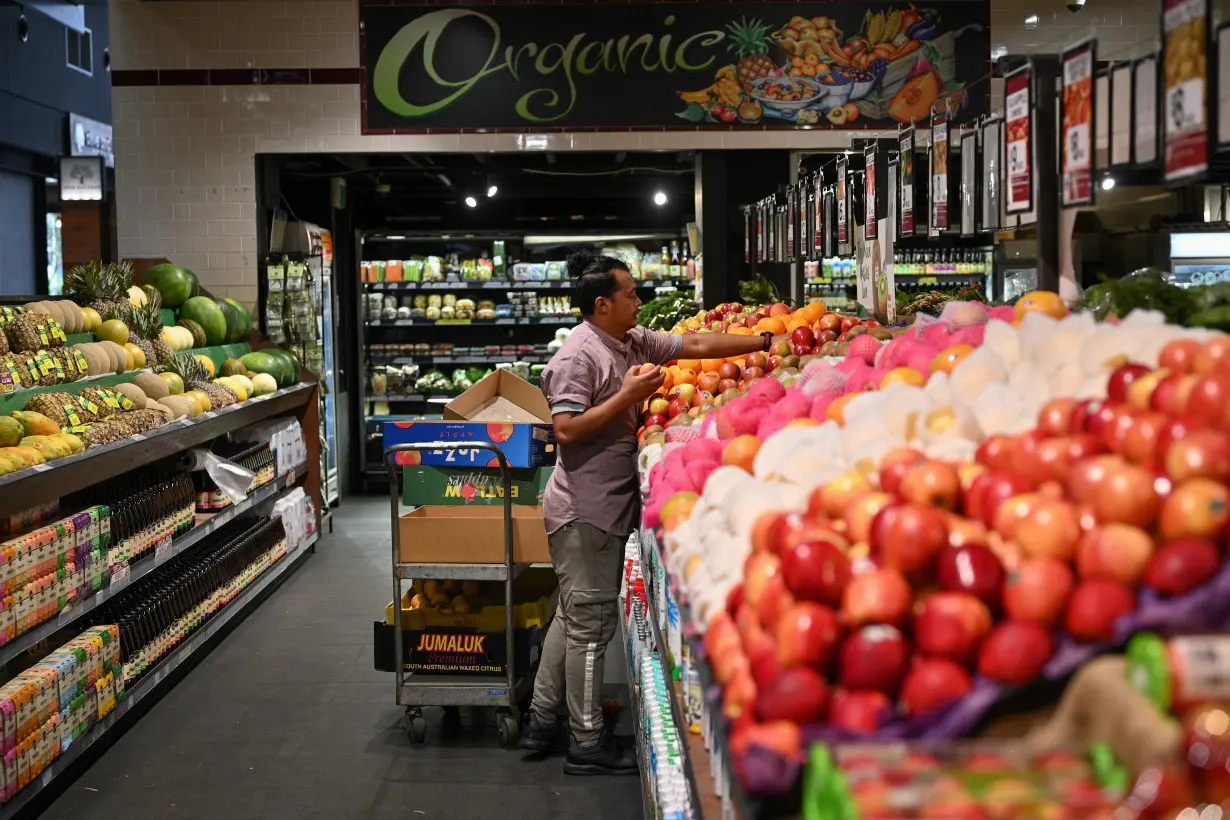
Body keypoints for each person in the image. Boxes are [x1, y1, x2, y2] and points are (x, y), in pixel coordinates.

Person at [520, 250, 786, 775]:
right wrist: (627, 396)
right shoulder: (579, 356)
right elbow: (567, 430)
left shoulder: (631, 340)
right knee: (592, 627)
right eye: (631, 294)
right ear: (602, 304)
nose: (639, 300)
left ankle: (542, 719)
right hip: (584, 511)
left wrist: (762, 342)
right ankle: (586, 742)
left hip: (606, 505)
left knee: (574, 617)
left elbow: (696, 344)